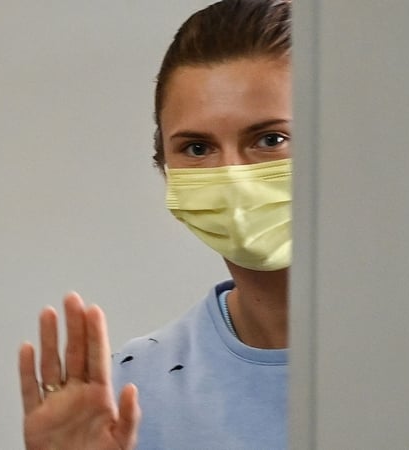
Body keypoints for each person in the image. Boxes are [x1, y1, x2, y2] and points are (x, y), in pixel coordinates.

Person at [18, 1, 292, 448]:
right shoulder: (129, 392)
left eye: (270, 140)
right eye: (198, 148)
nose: (232, 176)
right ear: (164, 164)